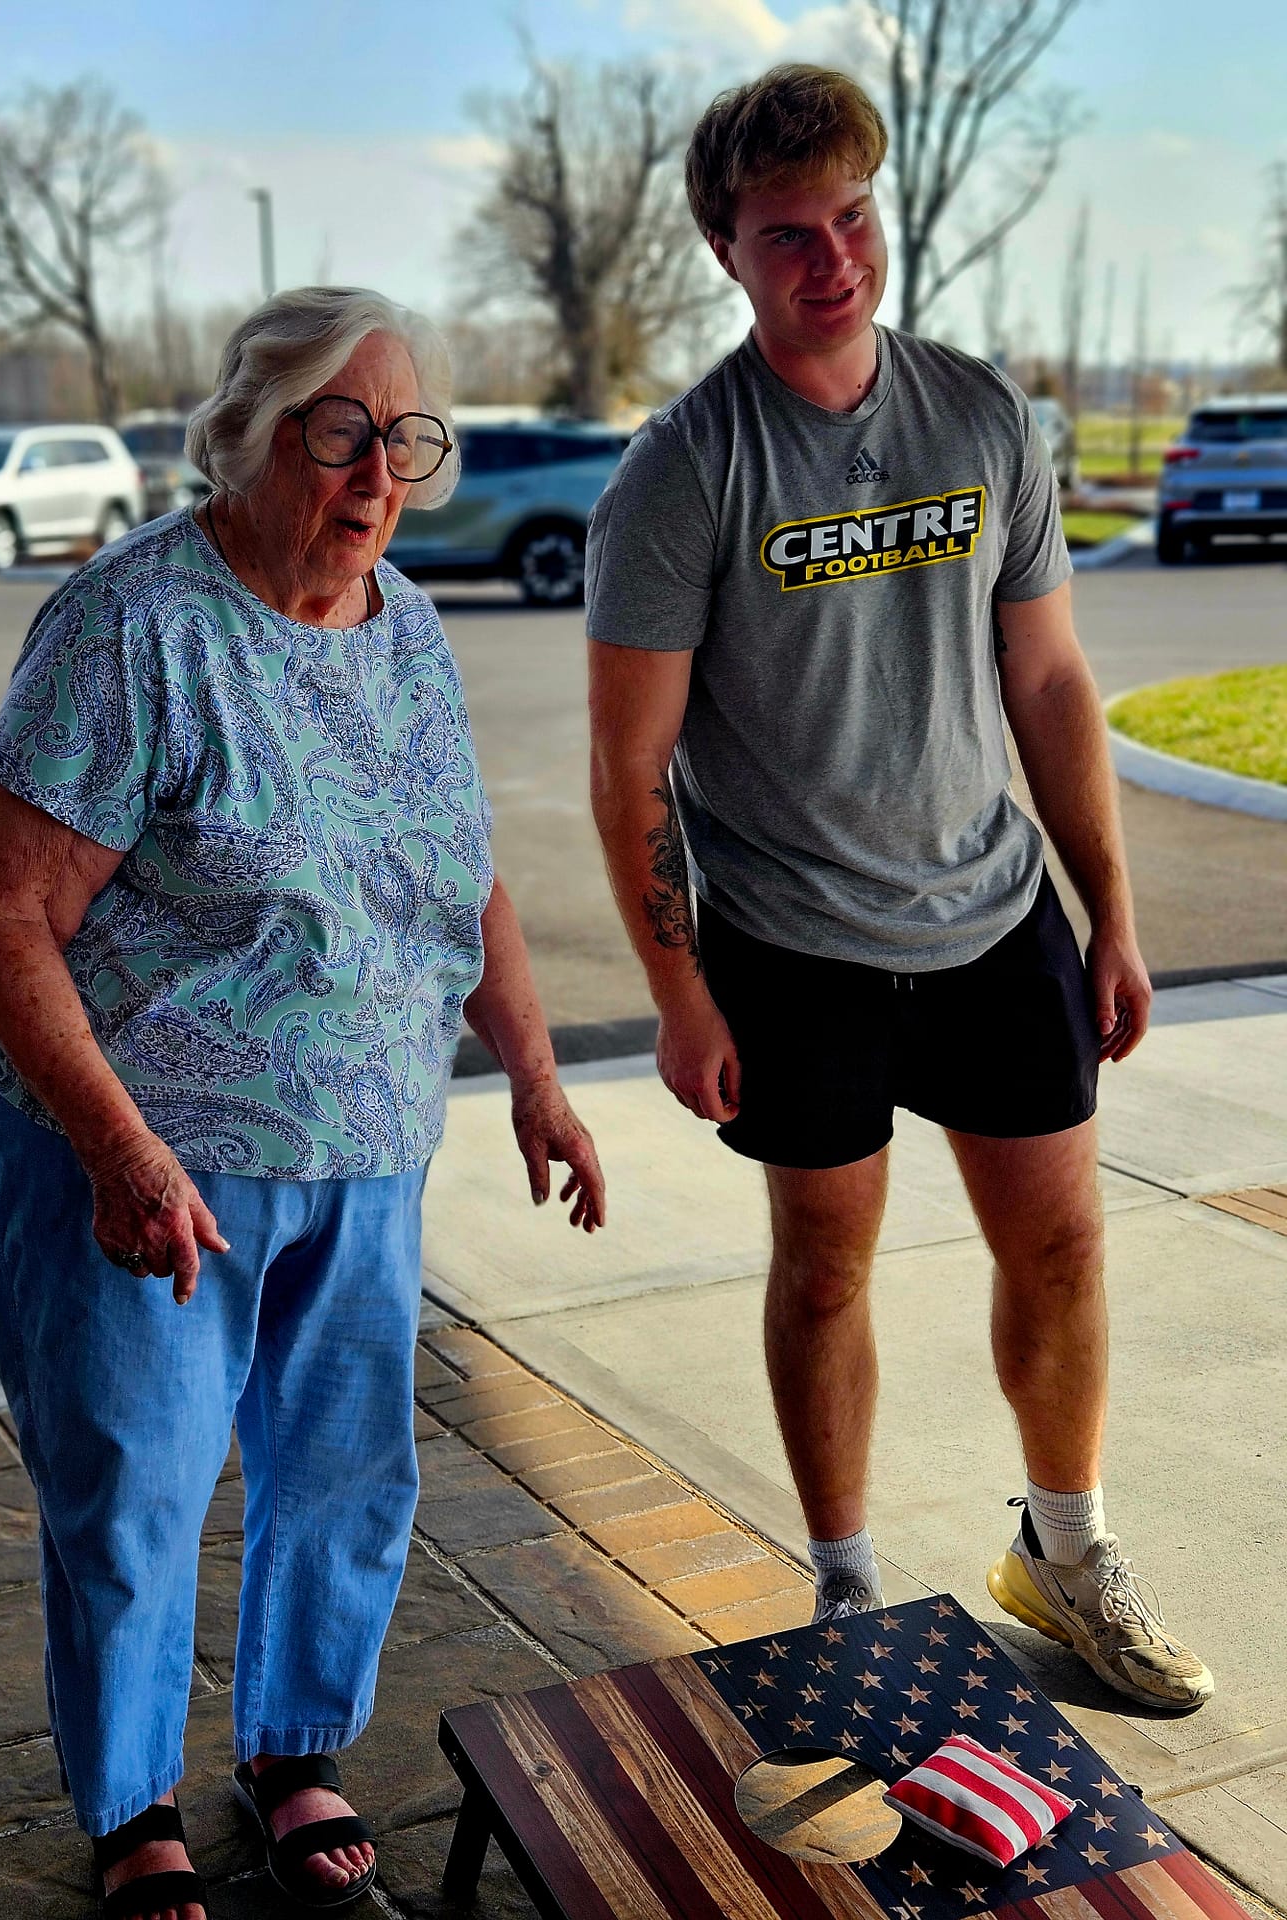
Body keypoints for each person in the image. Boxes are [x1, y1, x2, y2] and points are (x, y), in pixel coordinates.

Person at [0, 286, 606, 1920]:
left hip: (359, 1135)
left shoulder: (408, 628)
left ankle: (295, 1748)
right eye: (339, 432)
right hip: (137, 1128)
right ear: (243, 438)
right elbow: (3, 917)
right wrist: (115, 1143)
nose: (379, 473)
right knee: (137, 1473)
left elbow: (462, 877)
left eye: (406, 440)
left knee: (348, 1463)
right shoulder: (133, 628)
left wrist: (531, 1073)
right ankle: (132, 1806)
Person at [586, 65, 1210, 1713]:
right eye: (789, 234)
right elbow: (631, 767)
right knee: (827, 1263)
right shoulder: (682, 472)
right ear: (727, 249)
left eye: (852, 218)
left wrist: (1115, 914)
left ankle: (1064, 1555)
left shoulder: (980, 416)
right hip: (795, 949)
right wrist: (681, 992)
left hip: (996, 909)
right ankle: (849, 1589)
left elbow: (1054, 686)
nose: (832, 258)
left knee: (1064, 1242)